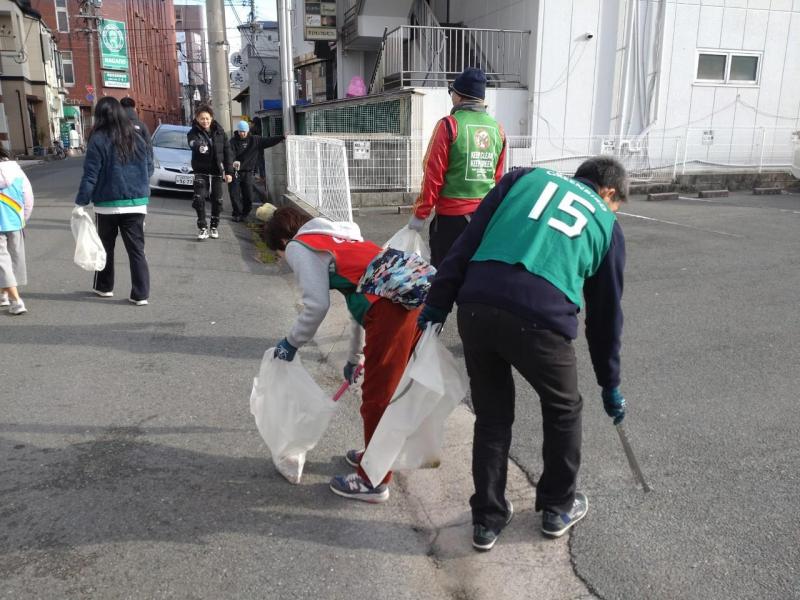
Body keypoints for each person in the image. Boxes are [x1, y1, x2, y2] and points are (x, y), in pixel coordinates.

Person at [418, 157, 629, 550]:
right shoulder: (607, 223)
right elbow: (604, 317)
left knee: (493, 417)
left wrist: (437, 304)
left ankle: (487, 518)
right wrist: (609, 383)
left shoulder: (522, 178)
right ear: (609, 192)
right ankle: (556, 508)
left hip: (477, 305)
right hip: (542, 322)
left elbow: (466, 243)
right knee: (563, 409)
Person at [261, 204, 428, 503]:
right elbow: (360, 305)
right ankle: (377, 454)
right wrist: (355, 358)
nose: (283, 261)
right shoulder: (345, 238)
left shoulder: (301, 246)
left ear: (284, 242)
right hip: (408, 300)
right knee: (389, 391)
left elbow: (316, 306)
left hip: (392, 311)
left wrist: (291, 342)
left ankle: (373, 482)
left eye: (278, 255)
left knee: (377, 398)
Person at [408, 67, 507, 267]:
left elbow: (433, 174)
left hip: (450, 221)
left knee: (443, 279)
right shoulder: (498, 130)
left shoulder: (449, 125)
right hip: (484, 219)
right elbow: (498, 178)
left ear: (459, 96)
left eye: (452, 92)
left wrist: (421, 213)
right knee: (474, 276)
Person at [75, 96, 154, 306]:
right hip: (136, 202)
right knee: (136, 249)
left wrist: (81, 202)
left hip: (107, 204)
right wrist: (141, 189)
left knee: (105, 247)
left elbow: (90, 174)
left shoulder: (98, 138)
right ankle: (141, 294)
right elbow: (149, 166)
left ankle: (104, 286)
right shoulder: (136, 136)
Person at [187, 105, 233, 240]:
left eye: (207, 118)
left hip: (217, 172)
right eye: (202, 118)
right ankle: (202, 227)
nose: (205, 121)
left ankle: (214, 226)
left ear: (211, 118)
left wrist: (229, 171)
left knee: (217, 201)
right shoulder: (193, 132)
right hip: (200, 171)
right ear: (197, 119)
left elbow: (228, 153)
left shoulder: (220, 132)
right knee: (199, 198)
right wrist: (199, 147)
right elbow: (192, 142)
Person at [0, 146, 34, 315]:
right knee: (13, 259)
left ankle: (16, 300)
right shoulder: (16, 170)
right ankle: (4, 294)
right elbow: (28, 197)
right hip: (15, 221)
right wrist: (23, 218)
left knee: (2, 262)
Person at [228, 120, 284, 222]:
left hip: (248, 172)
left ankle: (245, 213)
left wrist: (282, 137)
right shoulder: (233, 141)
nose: (242, 133)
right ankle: (237, 213)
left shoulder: (255, 140)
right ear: (238, 131)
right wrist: (233, 161)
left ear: (248, 131)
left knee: (248, 195)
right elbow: (228, 154)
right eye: (240, 131)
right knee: (234, 194)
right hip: (235, 171)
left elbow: (269, 141)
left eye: (244, 131)